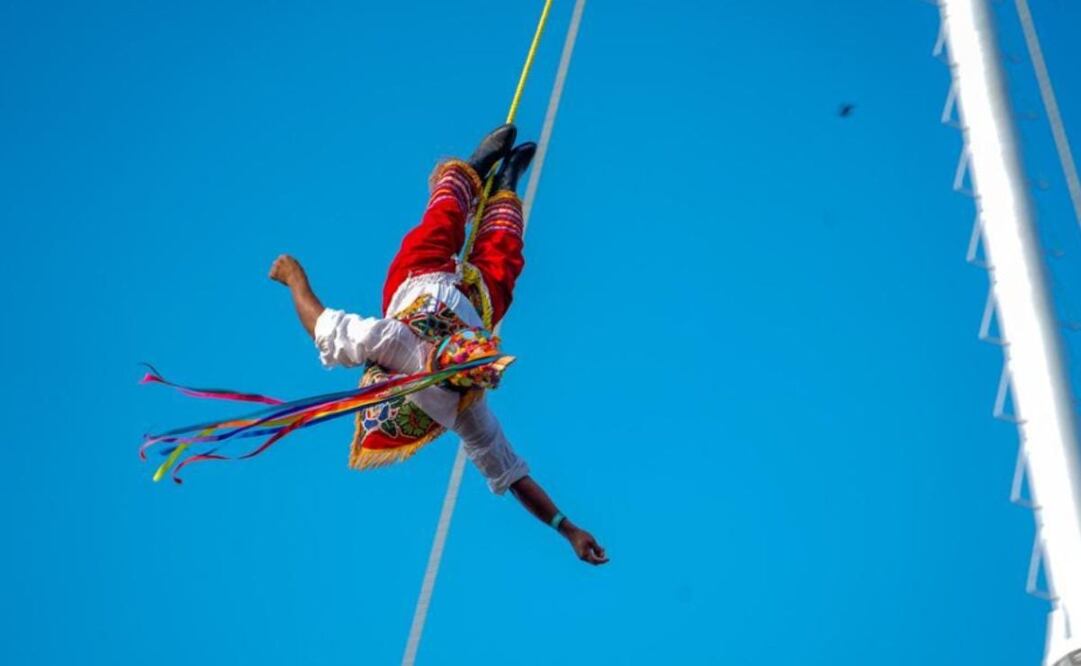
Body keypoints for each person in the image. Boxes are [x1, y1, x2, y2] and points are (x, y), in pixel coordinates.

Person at [268, 124, 607, 565]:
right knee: (503, 258)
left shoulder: (390, 345)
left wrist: (294, 279)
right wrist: (567, 528)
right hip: (477, 303)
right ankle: (505, 190)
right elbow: (513, 474)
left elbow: (324, 329)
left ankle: (469, 172)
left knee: (441, 223)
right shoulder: (465, 408)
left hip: (417, 276)